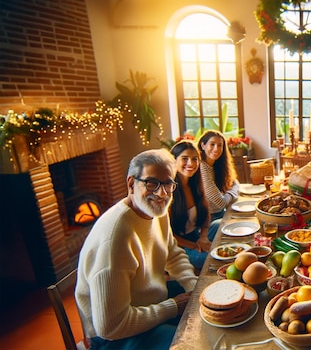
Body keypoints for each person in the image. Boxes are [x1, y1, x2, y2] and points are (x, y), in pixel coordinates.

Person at [75, 149, 197, 350]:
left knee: (209, 307)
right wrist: (173, 307)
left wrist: (193, 286)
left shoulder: (157, 211)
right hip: (114, 337)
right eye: (151, 183)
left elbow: (173, 254)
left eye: (168, 184)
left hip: (150, 304)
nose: (162, 193)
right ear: (131, 184)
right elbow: (110, 327)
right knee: (194, 343)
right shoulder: (115, 239)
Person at [169, 140, 211, 272]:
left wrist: (203, 237)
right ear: (174, 161)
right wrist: (194, 246)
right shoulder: (168, 191)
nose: (191, 164)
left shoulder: (196, 184)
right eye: (185, 159)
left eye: (195, 159)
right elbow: (167, 235)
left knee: (220, 225)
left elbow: (206, 215)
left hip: (195, 235)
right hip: (178, 245)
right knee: (209, 259)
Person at [197, 130, 240, 241]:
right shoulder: (202, 168)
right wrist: (232, 192)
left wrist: (232, 190)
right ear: (203, 145)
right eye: (212, 144)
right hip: (208, 223)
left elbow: (234, 182)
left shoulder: (216, 166)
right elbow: (221, 203)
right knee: (237, 225)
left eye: (220, 145)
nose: (216, 149)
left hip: (220, 214)